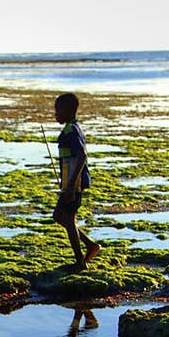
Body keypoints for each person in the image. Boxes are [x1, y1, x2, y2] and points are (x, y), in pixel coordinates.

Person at [51, 92, 100, 272]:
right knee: (59, 216)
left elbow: (81, 155)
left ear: (66, 110)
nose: (55, 114)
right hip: (68, 182)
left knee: (68, 219)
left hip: (74, 183)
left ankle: (80, 262)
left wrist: (71, 185)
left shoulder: (72, 130)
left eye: (57, 110)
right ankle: (90, 245)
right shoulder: (71, 128)